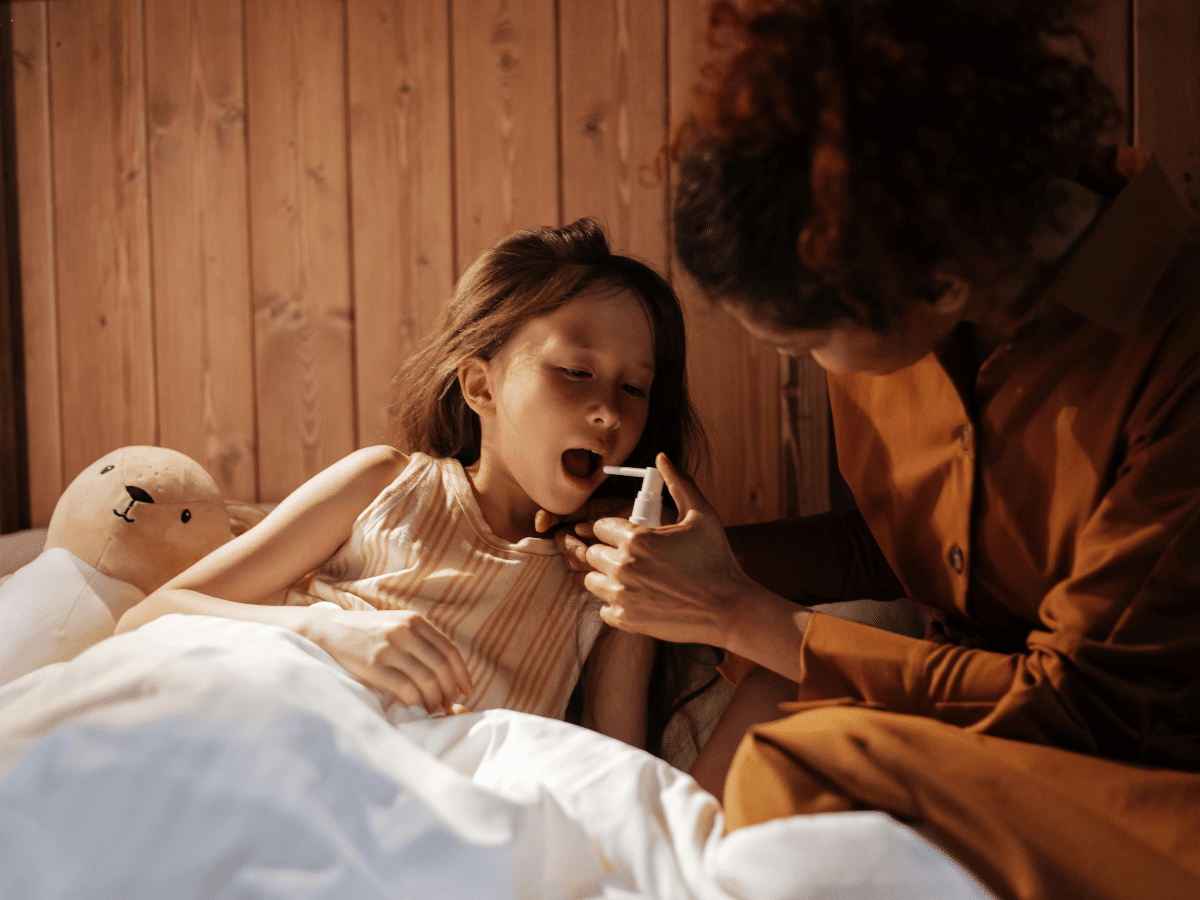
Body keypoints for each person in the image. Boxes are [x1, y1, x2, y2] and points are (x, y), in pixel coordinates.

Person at [556, 2, 1200, 898]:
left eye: (806, 344)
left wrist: (738, 613)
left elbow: (1081, 709)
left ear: (942, 286)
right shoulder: (879, 254)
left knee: (797, 760)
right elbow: (902, 540)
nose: (811, 366)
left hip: (1133, 776)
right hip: (966, 722)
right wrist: (698, 564)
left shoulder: (1175, 349)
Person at [116, 217, 706, 753]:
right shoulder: (384, 484)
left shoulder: (605, 582)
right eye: (576, 371)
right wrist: (329, 630)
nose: (610, 412)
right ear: (481, 387)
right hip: (280, 729)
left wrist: (641, 585)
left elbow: (617, 771)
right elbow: (148, 618)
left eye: (635, 388)